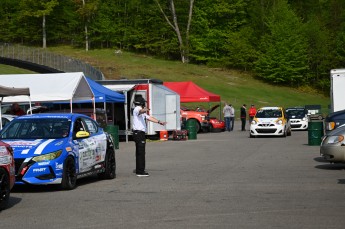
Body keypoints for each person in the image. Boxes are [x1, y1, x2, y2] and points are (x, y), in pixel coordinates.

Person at [132, 97, 166, 177]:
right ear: (141, 103)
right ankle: (140, 172)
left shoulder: (142, 111)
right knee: (141, 153)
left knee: (140, 152)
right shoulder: (137, 109)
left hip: (140, 133)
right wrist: (146, 109)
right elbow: (140, 111)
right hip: (139, 133)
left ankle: (139, 169)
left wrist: (159, 122)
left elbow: (149, 118)